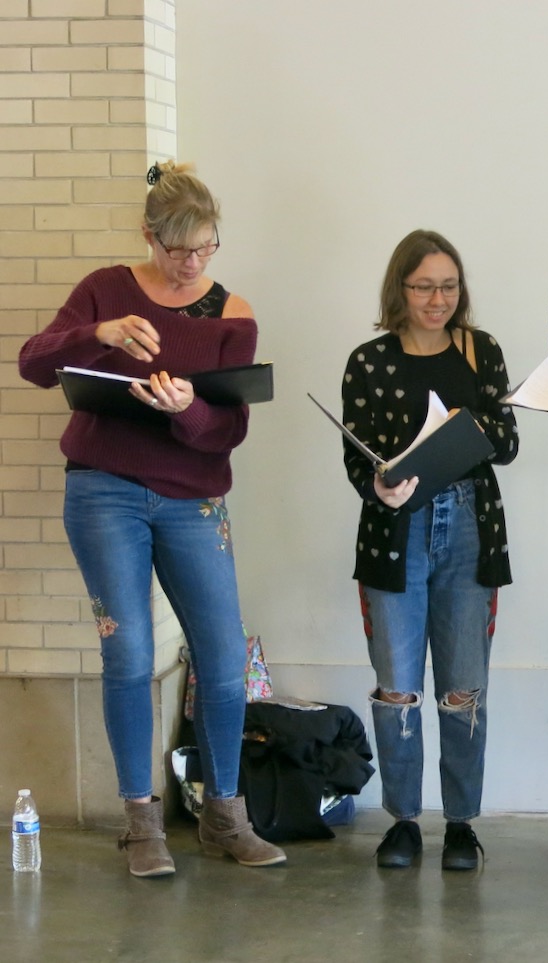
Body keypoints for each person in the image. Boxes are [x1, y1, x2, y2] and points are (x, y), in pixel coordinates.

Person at [18, 160, 286, 877]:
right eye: (177, 250)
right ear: (149, 234)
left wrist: (185, 410)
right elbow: (33, 364)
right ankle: (142, 824)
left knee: (224, 660)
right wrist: (98, 333)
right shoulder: (105, 290)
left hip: (193, 498)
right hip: (104, 490)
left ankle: (225, 815)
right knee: (130, 653)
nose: (190, 263)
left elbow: (228, 428)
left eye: (204, 248)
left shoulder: (234, 314)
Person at [341, 229, 518, 870]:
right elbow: (354, 454)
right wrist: (380, 483)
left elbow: (508, 437)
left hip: (470, 522)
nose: (437, 299)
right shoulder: (369, 360)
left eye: (448, 286)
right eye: (423, 287)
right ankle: (404, 821)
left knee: (463, 687)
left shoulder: (481, 351)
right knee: (397, 689)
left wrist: (459, 435)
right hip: (395, 531)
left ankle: (463, 823)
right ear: (400, 289)